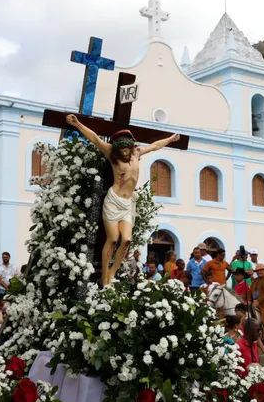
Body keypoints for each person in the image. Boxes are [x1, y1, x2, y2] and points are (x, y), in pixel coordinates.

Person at [66, 113, 180, 284]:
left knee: (126, 240)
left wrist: (171, 139)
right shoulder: (112, 153)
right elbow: (95, 139)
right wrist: (78, 124)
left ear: (131, 145)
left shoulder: (137, 152)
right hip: (113, 201)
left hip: (127, 204)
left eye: (127, 148)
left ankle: (111, 273)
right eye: (122, 149)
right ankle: (105, 277)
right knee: (112, 239)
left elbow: (156, 145)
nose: (125, 152)